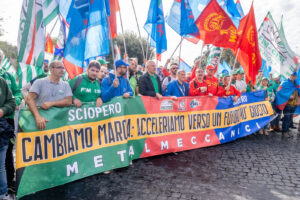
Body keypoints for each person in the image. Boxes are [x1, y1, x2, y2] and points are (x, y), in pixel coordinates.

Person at [25, 61, 73, 130]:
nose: (62, 70)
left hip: (58, 123)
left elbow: (69, 101)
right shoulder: (39, 82)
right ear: (51, 69)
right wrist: (38, 117)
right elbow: (29, 99)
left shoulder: (65, 84)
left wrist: (52, 103)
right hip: (40, 122)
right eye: (59, 68)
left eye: (63, 68)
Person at [0, 68, 22, 193]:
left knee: (7, 151)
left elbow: (17, 93)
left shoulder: (7, 76)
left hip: (7, 121)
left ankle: (9, 183)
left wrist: (16, 103)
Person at [0, 77, 16, 199]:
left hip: (2, 128)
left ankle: (3, 194)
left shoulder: (2, 81)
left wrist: (2, 110)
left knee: (2, 164)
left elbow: (12, 101)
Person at [280, 72, 299, 137]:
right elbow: (280, 91)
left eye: (293, 76)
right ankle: (284, 132)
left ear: (295, 77)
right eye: (291, 75)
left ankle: (287, 131)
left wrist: (298, 100)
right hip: (287, 104)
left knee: (289, 119)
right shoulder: (285, 83)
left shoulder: (296, 84)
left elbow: (298, 93)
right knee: (286, 118)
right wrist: (288, 96)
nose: (292, 76)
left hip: (294, 104)